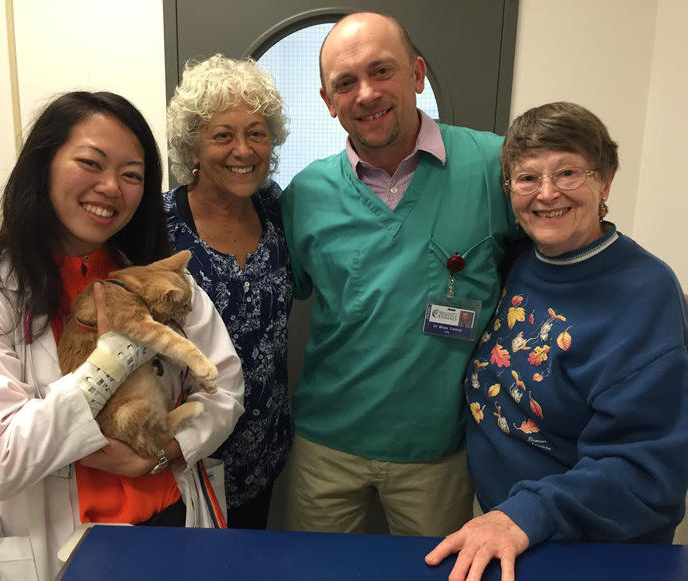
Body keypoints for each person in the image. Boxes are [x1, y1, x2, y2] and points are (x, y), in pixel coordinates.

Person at [0, 55, 295, 530]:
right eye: (90, 163)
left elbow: (225, 385)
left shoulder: (267, 215)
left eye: (131, 174)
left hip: (196, 493)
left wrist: (161, 453)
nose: (110, 187)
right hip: (68, 534)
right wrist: (111, 359)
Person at [425, 102, 688, 581]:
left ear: (605, 181)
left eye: (568, 172)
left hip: (589, 546)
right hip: (516, 524)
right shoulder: (524, 259)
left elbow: (650, 468)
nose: (546, 194)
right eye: (527, 179)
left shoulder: (645, 294)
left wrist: (525, 515)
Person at [280, 12, 520, 536]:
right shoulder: (305, 195)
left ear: (417, 75)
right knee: (314, 576)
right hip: (327, 445)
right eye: (345, 83)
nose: (366, 94)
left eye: (381, 70)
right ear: (328, 101)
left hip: (437, 449)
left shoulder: (492, 166)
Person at [163, 54, 294, 529]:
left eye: (256, 132)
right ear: (192, 149)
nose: (243, 149)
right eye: (223, 135)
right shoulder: (156, 227)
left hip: (262, 451)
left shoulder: (278, 209)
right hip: (182, 458)